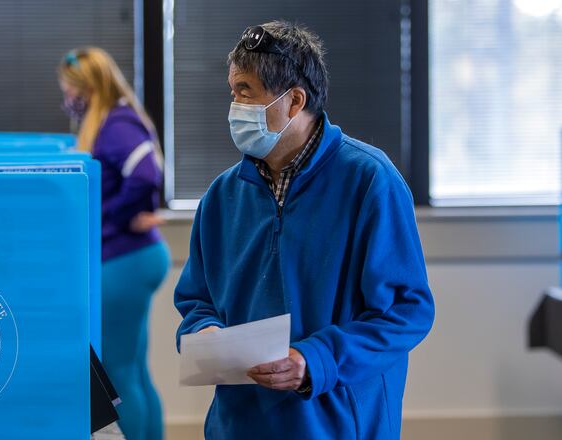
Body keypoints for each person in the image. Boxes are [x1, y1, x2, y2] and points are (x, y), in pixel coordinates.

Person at [174, 21, 435, 439]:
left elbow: (406, 312)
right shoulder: (223, 196)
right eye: (232, 91)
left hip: (337, 421)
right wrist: (203, 332)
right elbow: (196, 300)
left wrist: (316, 360)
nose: (233, 105)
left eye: (245, 91)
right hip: (241, 423)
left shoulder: (369, 182)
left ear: (294, 100)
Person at [58, 47, 169, 440]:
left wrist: (110, 215)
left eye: (69, 89)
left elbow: (145, 172)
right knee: (134, 369)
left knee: (119, 376)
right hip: (133, 257)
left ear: (87, 88)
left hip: (125, 259)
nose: (66, 98)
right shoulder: (108, 119)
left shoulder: (117, 122)